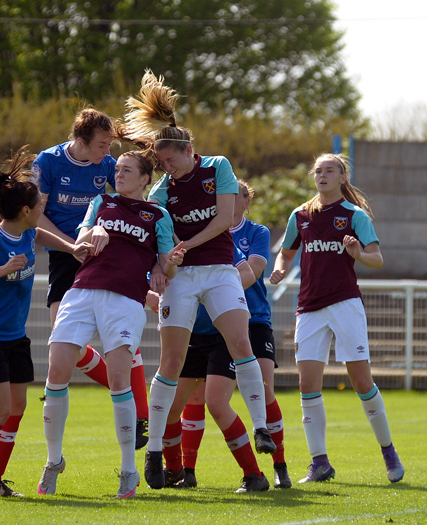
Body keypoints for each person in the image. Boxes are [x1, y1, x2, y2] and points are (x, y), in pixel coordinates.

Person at [124, 70, 274, 491]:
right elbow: (155, 232)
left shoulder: (217, 168)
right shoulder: (161, 191)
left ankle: (261, 427)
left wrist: (183, 244)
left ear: (189, 150)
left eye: (169, 160)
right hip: (184, 278)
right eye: (161, 163)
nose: (166, 168)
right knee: (170, 361)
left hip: (220, 271)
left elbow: (225, 220)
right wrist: (162, 262)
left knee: (241, 343)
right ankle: (154, 453)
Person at [37, 148, 185, 498]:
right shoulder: (101, 202)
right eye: (117, 169)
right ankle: (53, 460)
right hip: (83, 290)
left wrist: (170, 267)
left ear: (146, 178)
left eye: (128, 170)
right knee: (57, 370)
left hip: (125, 299)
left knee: (120, 379)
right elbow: (83, 236)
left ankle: (127, 470)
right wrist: (94, 233)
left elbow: (166, 265)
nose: (119, 174)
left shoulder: (157, 214)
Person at [0, 144, 91, 499]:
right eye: (40, 207)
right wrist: (2, 270)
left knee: (16, 408)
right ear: (26, 210)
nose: (45, 210)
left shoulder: (27, 230)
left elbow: (41, 235)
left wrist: (69, 245)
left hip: (14, 337)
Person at [269, 153, 403, 484]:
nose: (322, 175)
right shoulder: (300, 215)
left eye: (330, 170)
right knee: (307, 385)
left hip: (345, 305)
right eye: (318, 170)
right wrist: (279, 268)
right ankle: (320, 463)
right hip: (309, 307)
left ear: (343, 177)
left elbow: (378, 260)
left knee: (361, 381)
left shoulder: (354, 215)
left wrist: (358, 253)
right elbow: (285, 252)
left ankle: (389, 452)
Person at [162, 179, 291, 492]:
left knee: (259, 389)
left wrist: (210, 288)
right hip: (199, 326)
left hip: (250, 320)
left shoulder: (254, 233)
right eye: (226, 195)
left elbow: (251, 273)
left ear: (246, 202)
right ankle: (184, 470)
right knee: (191, 399)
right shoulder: (195, 234)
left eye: (238, 196)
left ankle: (278, 465)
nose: (230, 201)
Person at [32, 108, 150, 446]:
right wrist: (72, 247)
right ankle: (122, 390)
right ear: (80, 141)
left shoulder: (107, 164)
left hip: (107, 255)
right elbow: (36, 217)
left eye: (111, 145)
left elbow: (136, 189)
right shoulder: (49, 162)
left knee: (124, 337)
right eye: (102, 145)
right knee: (62, 339)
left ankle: (138, 413)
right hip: (66, 253)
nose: (107, 154)